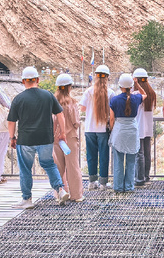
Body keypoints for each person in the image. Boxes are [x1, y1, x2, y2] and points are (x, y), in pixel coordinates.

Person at [6, 66, 70, 209]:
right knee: (49, 164)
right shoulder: (47, 95)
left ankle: (27, 199)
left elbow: (11, 121)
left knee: (25, 169)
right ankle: (60, 190)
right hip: (45, 138)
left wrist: (12, 137)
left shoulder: (18, 99)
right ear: (38, 80)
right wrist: (63, 133)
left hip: (26, 139)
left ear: (23, 81)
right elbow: (60, 114)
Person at [109, 73, 144, 193]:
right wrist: (137, 83)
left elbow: (112, 119)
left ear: (120, 86)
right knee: (131, 161)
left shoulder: (114, 100)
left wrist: (112, 131)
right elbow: (145, 94)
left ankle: (118, 187)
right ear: (131, 86)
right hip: (132, 131)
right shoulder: (136, 98)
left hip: (119, 130)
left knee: (118, 161)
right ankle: (129, 187)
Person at [53, 73, 84, 201]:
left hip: (56, 139)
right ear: (69, 87)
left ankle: (59, 194)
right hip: (69, 138)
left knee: (58, 167)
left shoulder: (53, 102)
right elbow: (76, 122)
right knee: (73, 167)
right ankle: (76, 195)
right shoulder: (72, 103)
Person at [83, 64, 112, 189]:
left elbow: (83, 108)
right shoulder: (110, 93)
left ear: (95, 76)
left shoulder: (88, 92)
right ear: (107, 78)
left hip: (89, 128)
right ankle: (103, 183)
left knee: (91, 155)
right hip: (103, 129)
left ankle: (91, 182)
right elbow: (112, 112)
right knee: (104, 155)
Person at [132, 68, 156, 185]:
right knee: (147, 153)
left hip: (138, 126)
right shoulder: (151, 93)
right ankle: (146, 176)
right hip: (148, 126)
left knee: (139, 154)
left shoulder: (136, 94)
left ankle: (139, 179)